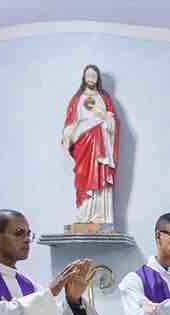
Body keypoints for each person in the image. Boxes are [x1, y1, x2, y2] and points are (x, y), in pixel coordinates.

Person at [60, 64, 118, 225]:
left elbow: (113, 123)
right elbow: (70, 122)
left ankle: (100, 215)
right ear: (84, 78)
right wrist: (67, 134)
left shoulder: (104, 98)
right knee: (83, 176)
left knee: (99, 174)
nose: (91, 78)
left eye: (94, 75)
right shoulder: (77, 99)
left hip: (101, 143)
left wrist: (104, 116)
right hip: (83, 143)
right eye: (88, 75)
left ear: (97, 78)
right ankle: (84, 214)